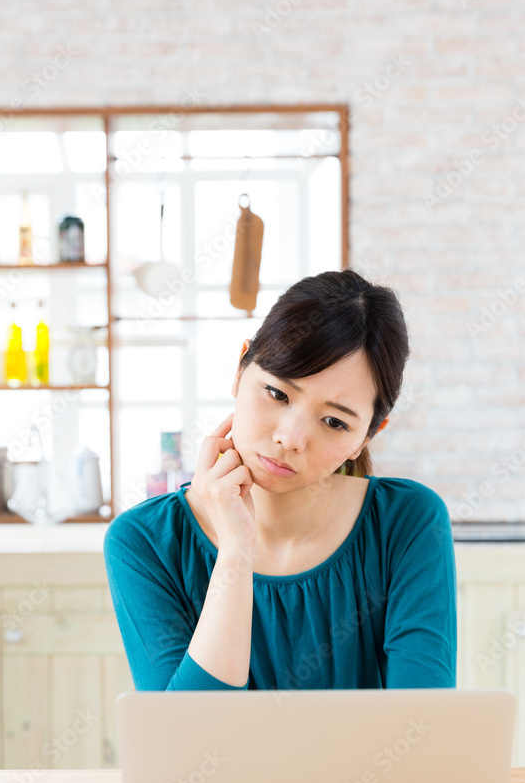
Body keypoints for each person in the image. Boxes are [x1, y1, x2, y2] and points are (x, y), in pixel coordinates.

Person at [104, 268, 457, 691]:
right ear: (240, 370)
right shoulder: (144, 541)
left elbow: (421, 729)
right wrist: (236, 552)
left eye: (333, 422)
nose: (290, 438)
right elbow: (188, 741)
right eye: (277, 394)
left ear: (365, 438)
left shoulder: (407, 524)